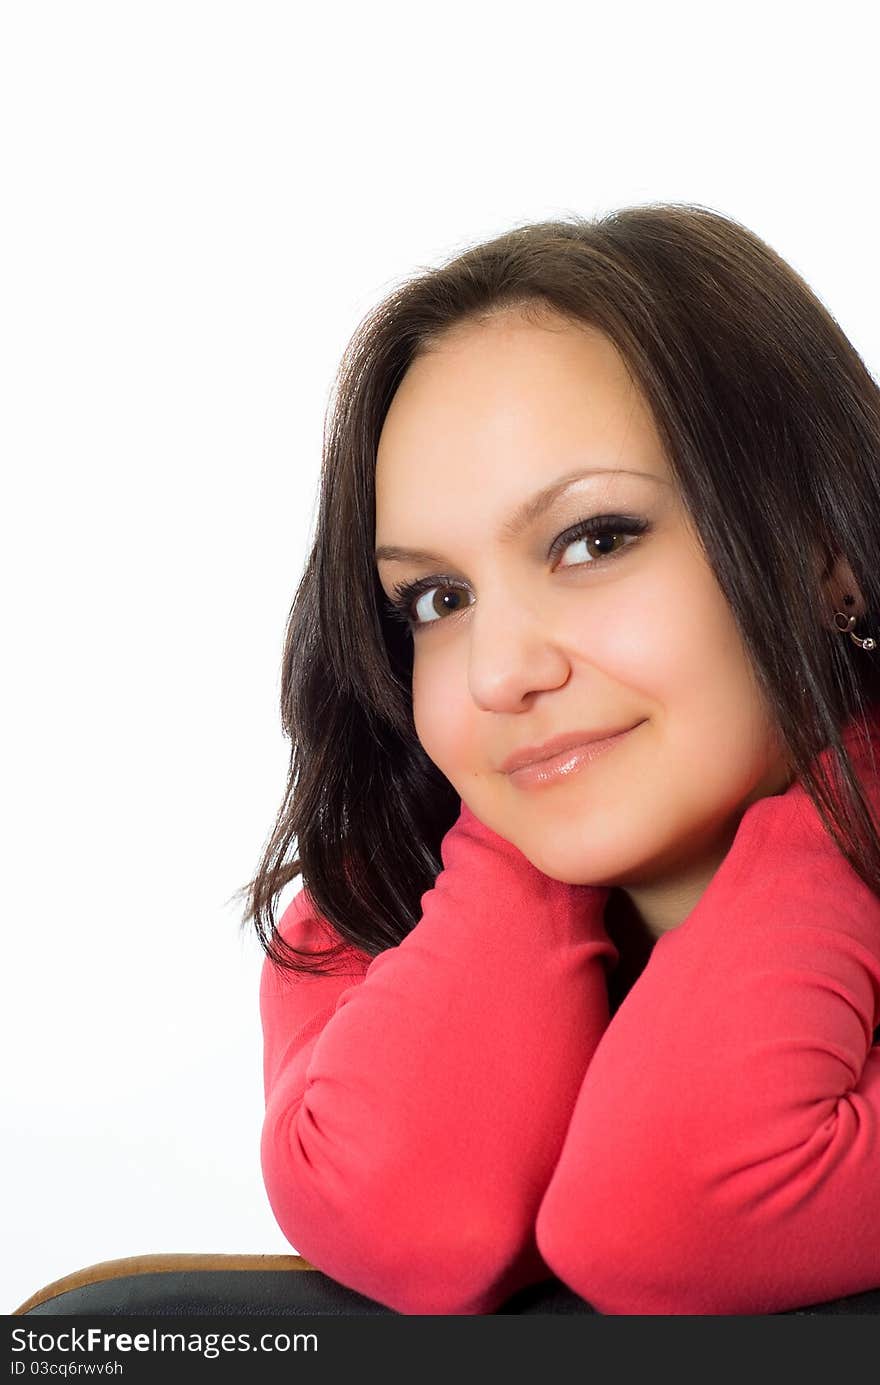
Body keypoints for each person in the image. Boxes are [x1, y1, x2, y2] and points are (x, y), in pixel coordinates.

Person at [235, 204, 880, 1315]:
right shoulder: (360, 925)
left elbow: (677, 1207)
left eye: (593, 539)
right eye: (437, 599)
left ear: (827, 554)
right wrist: (521, 846)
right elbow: (410, 1215)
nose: (497, 672)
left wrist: (854, 777)